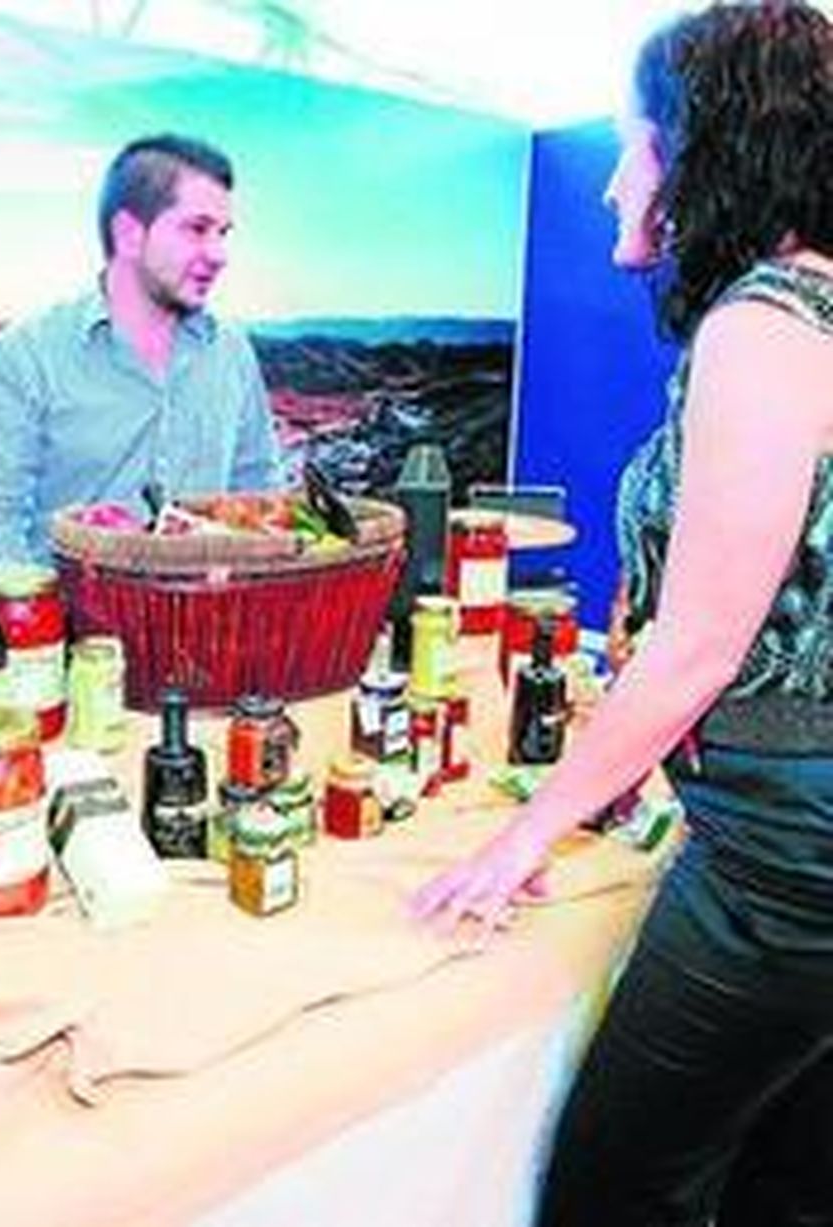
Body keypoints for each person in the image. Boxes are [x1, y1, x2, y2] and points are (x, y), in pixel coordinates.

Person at [413, 4, 833, 1224]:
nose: (613, 183)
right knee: (786, 1188)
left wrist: (523, 834)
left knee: (612, 1191)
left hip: (786, 859)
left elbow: (700, 641)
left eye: (635, 144)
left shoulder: (763, 323)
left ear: (708, 149)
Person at [0, 133, 283, 563]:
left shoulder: (231, 352)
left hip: (211, 621)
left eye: (223, 233)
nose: (220, 254)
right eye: (198, 229)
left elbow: (257, 490)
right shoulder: (27, 355)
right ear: (129, 233)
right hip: (70, 624)